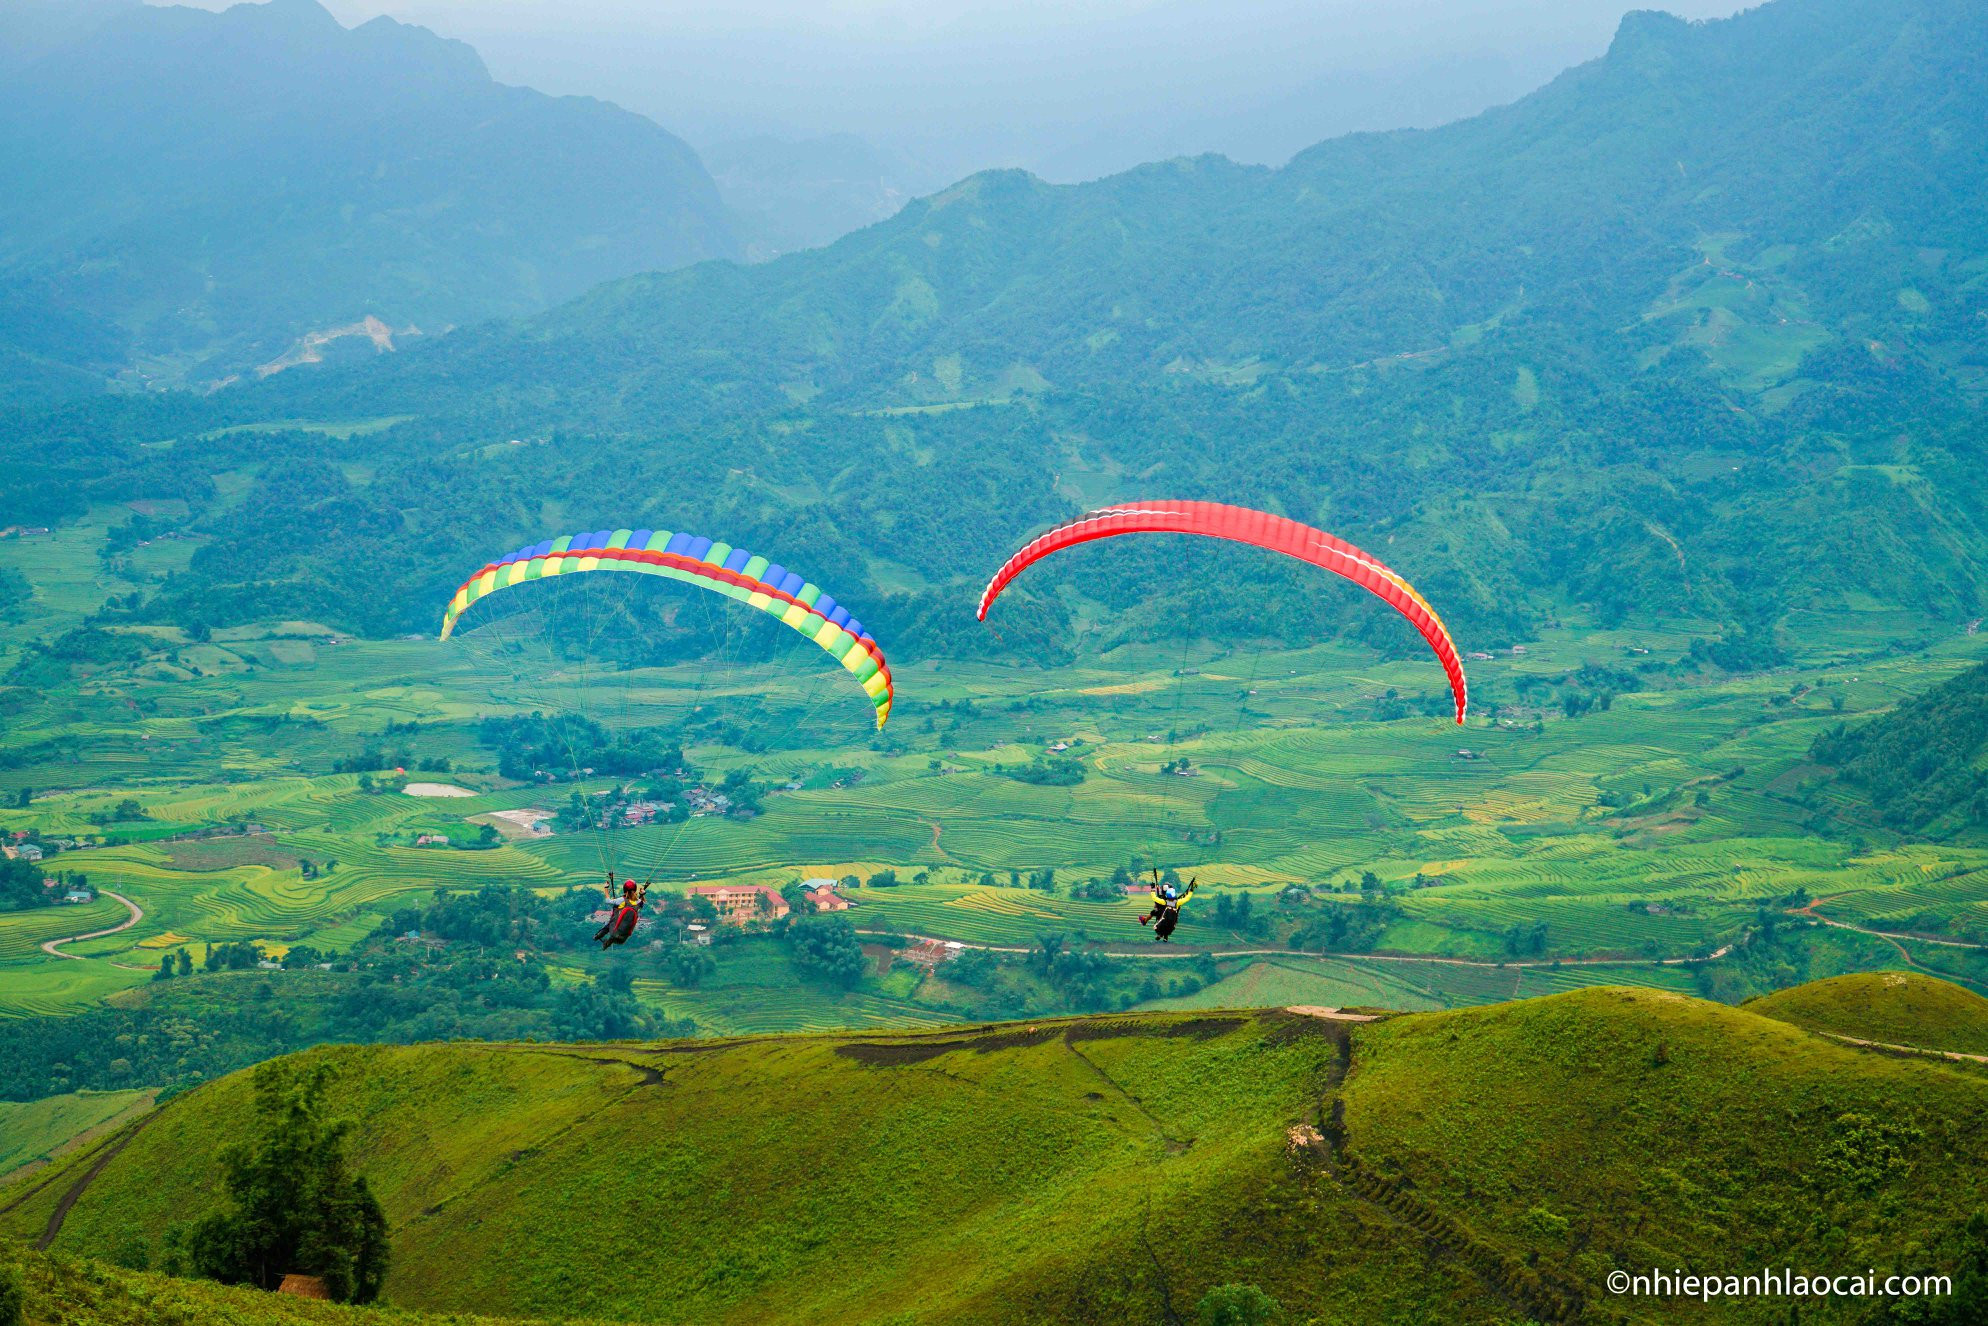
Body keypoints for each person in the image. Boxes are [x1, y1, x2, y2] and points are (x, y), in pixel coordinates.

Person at [595, 874, 648, 948]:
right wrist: (642, 894)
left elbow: (607, 901)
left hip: (614, 929)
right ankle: (608, 941)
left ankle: (597, 936)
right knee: (613, 924)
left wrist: (606, 888)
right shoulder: (638, 902)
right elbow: (642, 903)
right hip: (624, 936)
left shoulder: (621, 900)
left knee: (610, 923)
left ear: (624, 889)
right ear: (635, 889)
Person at [1139, 875, 1195, 942]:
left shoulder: (1164, 901)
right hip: (1172, 921)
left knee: (1153, 912)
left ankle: (1145, 921)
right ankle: (1165, 936)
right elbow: (1187, 898)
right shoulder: (1177, 902)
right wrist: (1191, 890)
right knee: (1161, 917)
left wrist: (1153, 889)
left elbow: (1154, 899)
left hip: (1162, 916)